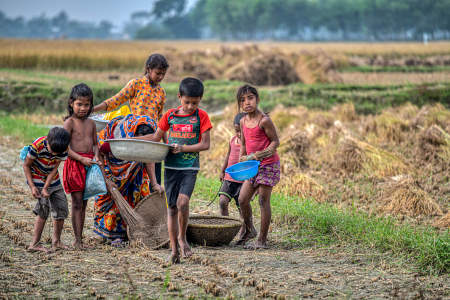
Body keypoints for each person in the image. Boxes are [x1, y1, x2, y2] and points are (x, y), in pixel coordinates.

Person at [139, 77, 212, 264]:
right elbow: (156, 137)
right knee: (171, 208)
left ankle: (182, 238)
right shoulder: (170, 116)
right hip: (171, 168)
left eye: (194, 103)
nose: (190, 106)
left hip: (189, 167)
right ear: (179, 97)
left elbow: (205, 144)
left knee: (183, 202)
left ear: (200, 100)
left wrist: (183, 148)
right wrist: (133, 140)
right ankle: (173, 248)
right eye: (187, 102)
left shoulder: (201, 117)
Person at [93, 53, 169, 185]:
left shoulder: (161, 92)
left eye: (163, 74)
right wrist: (93, 109)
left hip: (153, 135)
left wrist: (166, 143)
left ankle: (152, 201)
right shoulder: (136, 84)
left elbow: (160, 118)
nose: (161, 77)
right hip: (136, 132)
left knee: (154, 177)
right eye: (158, 73)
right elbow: (116, 100)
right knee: (135, 175)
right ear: (148, 69)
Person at [94, 114, 163, 246]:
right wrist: (106, 180)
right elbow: (99, 157)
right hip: (111, 169)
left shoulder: (151, 129)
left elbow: (149, 156)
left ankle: (133, 232)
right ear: (131, 137)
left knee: (137, 198)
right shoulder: (112, 137)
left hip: (135, 169)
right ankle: (113, 235)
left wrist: (154, 183)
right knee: (114, 201)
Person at [236, 84, 280, 249]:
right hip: (251, 167)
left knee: (263, 200)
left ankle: (262, 239)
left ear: (257, 99)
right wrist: (242, 157)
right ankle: (249, 229)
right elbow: (244, 144)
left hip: (268, 165)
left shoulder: (264, 121)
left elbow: (276, 142)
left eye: (250, 98)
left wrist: (257, 155)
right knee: (242, 199)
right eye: (243, 100)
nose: (247, 102)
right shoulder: (242, 121)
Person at [63, 83, 102, 249]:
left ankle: (80, 239)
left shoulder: (91, 124)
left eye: (87, 105)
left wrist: (97, 156)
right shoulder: (69, 123)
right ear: (72, 103)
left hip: (89, 165)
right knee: (77, 202)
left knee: (85, 202)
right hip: (75, 165)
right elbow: (65, 148)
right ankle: (77, 240)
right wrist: (81, 159)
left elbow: (95, 144)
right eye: (79, 104)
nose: (83, 108)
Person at [23, 127, 71, 252]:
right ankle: (34, 244)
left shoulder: (64, 148)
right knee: (43, 207)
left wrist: (46, 187)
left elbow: (54, 169)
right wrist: (33, 186)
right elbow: (26, 166)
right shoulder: (37, 146)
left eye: (57, 153)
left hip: (52, 178)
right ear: (48, 141)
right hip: (36, 176)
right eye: (52, 151)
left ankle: (57, 242)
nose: (54, 154)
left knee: (62, 207)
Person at [218, 113, 246, 216]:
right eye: (237, 131)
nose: (239, 134)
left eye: (242, 131)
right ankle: (226, 224)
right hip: (229, 178)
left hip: (243, 180)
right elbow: (228, 155)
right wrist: (222, 171)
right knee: (222, 202)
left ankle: (247, 227)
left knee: (242, 207)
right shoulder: (232, 140)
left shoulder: (250, 143)